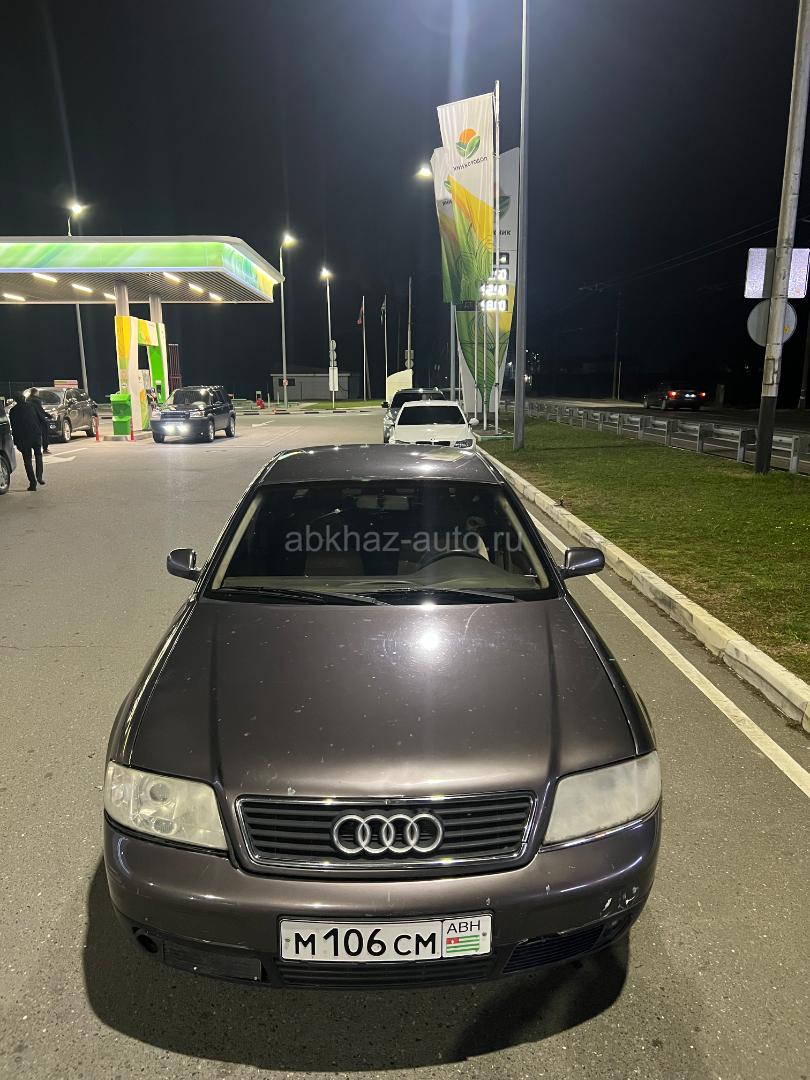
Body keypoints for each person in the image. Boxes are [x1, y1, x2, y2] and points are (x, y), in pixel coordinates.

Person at [9, 393, 45, 491]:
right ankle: (39, 477)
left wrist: (16, 441)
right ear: (24, 399)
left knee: (27, 461)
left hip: (23, 439)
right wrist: (40, 431)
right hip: (35, 435)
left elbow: (13, 427)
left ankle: (32, 483)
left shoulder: (13, 411)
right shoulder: (32, 406)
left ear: (15, 400)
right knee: (38, 456)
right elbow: (42, 419)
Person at [27, 386, 50, 454]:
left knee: (34, 435)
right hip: (39, 420)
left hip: (31, 420)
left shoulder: (27, 400)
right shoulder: (37, 400)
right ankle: (45, 448)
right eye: (37, 392)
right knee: (44, 434)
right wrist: (49, 416)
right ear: (35, 393)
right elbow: (40, 411)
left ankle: (34, 448)